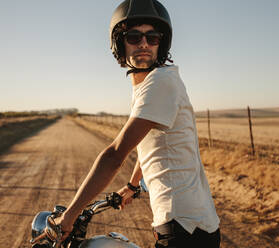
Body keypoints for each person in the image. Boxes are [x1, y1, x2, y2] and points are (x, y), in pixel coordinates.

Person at [55, 0, 220, 247]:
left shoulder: (160, 83)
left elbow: (114, 155)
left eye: (152, 38)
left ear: (161, 44)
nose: (143, 43)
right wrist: (133, 184)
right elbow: (151, 142)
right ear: (119, 43)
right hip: (187, 224)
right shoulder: (151, 84)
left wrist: (69, 216)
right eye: (134, 36)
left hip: (185, 228)